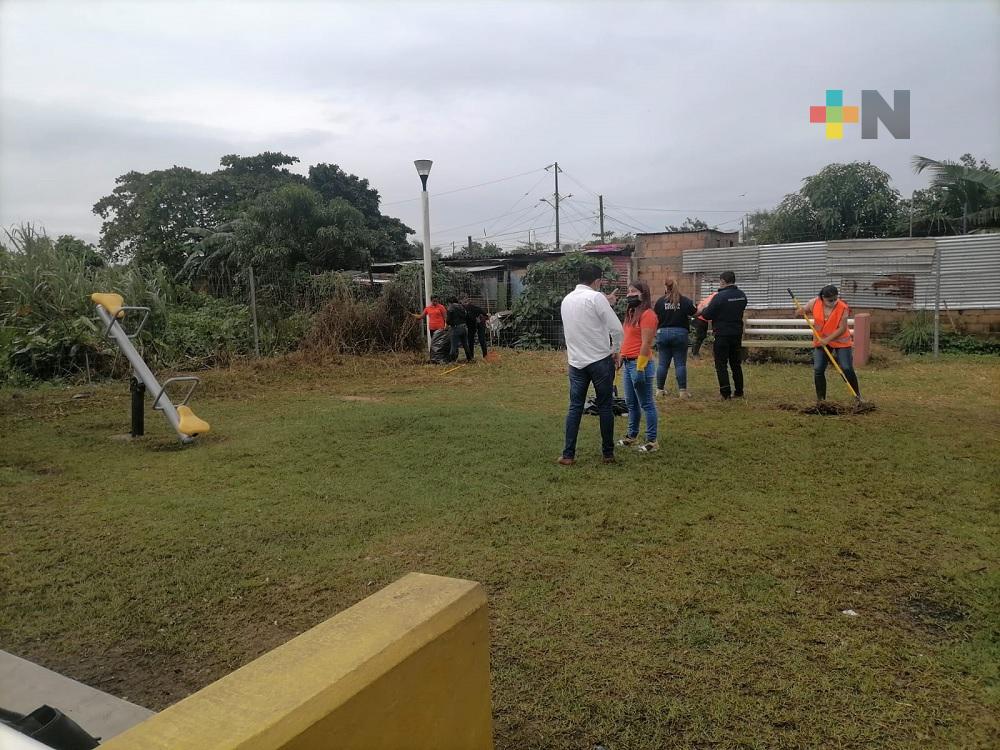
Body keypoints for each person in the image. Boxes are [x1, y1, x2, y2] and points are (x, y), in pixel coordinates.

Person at [558, 263, 624, 466]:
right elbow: (617, 329)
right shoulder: (596, 298)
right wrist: (616, 350)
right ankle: (607, 453)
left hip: (576, 362)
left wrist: (607, 302)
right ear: (597, 281)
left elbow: (585, 320)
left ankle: (568, 455)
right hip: (600, 361)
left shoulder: (567, 300)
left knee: (575, 407)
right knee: (605, 406)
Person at [798, 284, 862, 402]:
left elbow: (842, 328)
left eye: (835, 299)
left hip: (841, 341)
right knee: (818, 369)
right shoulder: (814, 303)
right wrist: (800, 311)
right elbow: (802, 311)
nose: (833, 302)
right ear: (822, 297)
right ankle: (821, 400)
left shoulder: (843, 307)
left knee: (847, 368)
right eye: (830, 300)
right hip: (821, 341)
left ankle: (857, 396)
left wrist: (827, 340)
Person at [618, 280, 659, 452]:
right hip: (628, 363)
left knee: (646, 404)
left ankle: (652, 441)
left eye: (634, 291)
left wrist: (640, 368)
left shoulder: (648, 315)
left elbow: (646, 343)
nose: (630, 294)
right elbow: (626, 337)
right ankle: (631, 436)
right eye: (628, 291)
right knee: (631, 403)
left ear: (644, 294)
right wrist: (621, 356)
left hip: (639, 364)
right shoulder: (630, 312)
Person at [698, 270, 748, 399]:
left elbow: (707, 314)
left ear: (723, 281)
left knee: (721, 364)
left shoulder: (719, 297)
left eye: (720, 282)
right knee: (736, 363)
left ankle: (725, 393)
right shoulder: (742, 295)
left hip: (722, 334)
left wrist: (704, 308)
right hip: (736, 333)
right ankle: (739, 391)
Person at [653, 279, 697, 398]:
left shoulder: (660, 302)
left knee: (662, 364)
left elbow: (655, 317)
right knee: (680, 364)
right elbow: (695, 313)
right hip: (680, 333)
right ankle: (682, 392)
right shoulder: (685, 301)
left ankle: (659, 390)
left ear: (665, 288)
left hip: (662, 333)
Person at [446, 297, 473, 362]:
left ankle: (451, 361)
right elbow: (466, 316)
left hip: (456, 328)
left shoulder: (451, 307)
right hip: (464, 327)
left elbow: (448, 320)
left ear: (450, 302)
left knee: (454, 345)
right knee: (465, 344)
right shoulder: (462, 307)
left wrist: (449, 323)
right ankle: (470, 359)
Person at [462, 295, 489, 359]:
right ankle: (471, 356)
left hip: (480, 323)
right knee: (471, 339)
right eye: (464, 302)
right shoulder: (462, 309)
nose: (465, 303)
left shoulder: (473, 308)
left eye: (466, 302)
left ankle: (484, 355)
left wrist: (481, 318)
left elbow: (486, 316)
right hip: (471, 324)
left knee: (481, 339)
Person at [691, 289, 717, 358]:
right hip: (701, 319)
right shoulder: (715, 297)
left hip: (702, 318)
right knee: (700, 337)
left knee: (701, 336)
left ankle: (695, 353)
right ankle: (694, 353)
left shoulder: (711, 297)